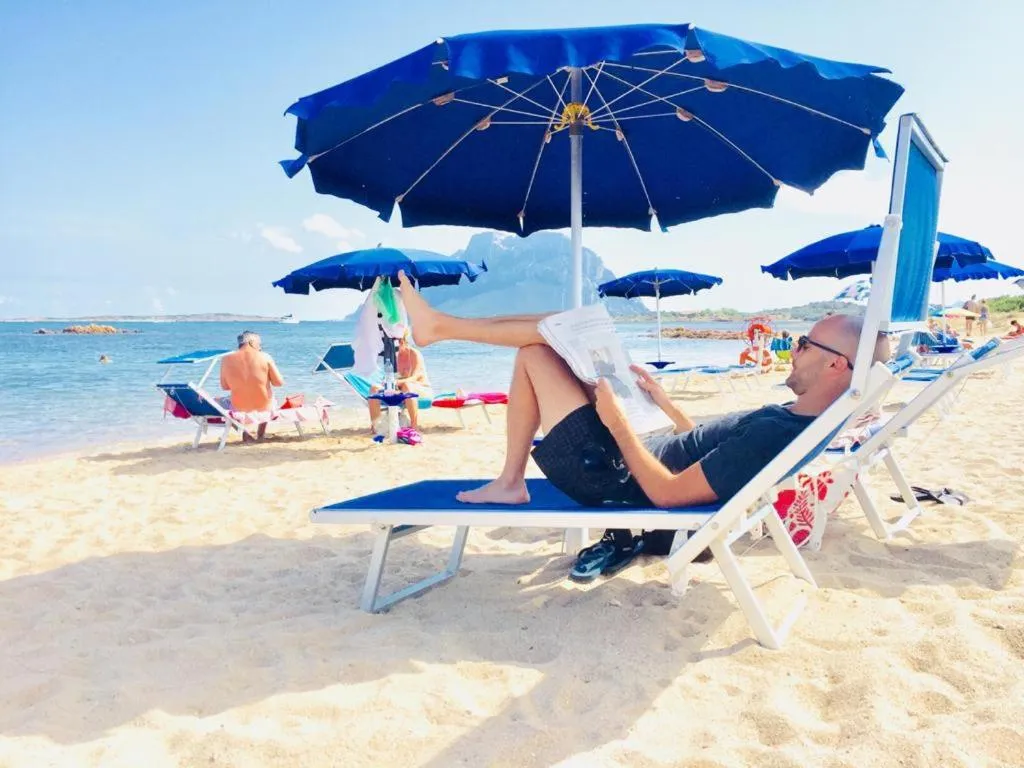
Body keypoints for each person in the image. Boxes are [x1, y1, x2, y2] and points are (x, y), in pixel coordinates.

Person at [397, 271, 888, 572]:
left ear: (836, 366)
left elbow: (669, 494)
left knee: (535, 352)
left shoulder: (777, 433)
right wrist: (667, 405)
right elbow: (709, 454)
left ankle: (506, 473)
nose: (794, 348)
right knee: (571, 322)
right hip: (637, 447)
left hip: (609, 473)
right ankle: (442, 327)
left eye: (804, 344)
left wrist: (615, 422)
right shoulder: (798, 421)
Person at [219, 330, 284, 441]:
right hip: (264, 407)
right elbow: (279, 383)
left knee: (223, 401)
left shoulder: (226, 359)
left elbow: (225, 387)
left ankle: (245, 433)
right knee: (269, 394)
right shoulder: (265, 357)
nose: (260, 347)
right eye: (259, 344)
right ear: (251, 343)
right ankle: (260, 434)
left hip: (239, 408)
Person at [368, 330, 432, 431]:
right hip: (403, 389)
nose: (395, 345)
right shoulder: (396, 357)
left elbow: (416, 377)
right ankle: (375, 427)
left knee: (407, 385)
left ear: (403, 341)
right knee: (374, 388)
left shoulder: (414, 354)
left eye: (398, 341)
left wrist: (398, 382)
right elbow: (395, 378)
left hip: (420, 388)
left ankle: (414, 426)